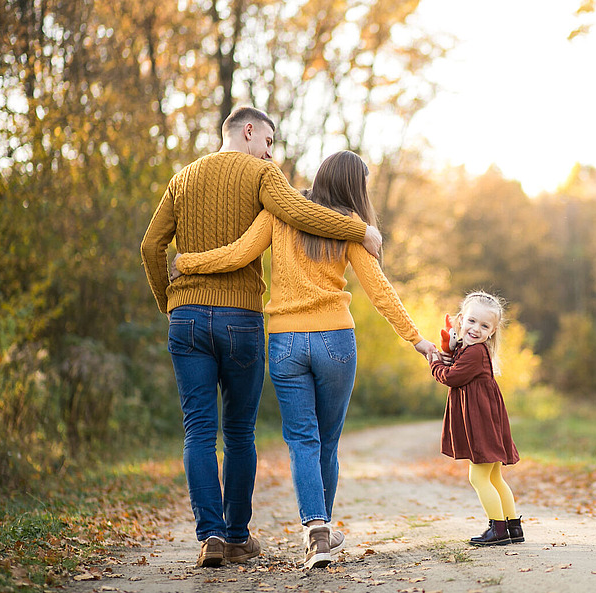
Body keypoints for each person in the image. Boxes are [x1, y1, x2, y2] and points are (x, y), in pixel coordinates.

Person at [140, 107, 384, 569]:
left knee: (197, 430)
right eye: (269, 140)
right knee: (237, 432)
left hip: (186, 317)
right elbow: (301, 211)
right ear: (249, 132)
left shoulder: (183, 178)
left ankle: (209, 534)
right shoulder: (262, 173)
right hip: (241, 317)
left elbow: (151, 246)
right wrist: (360, 229)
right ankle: (236, 535)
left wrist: (167, 304)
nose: (271, 150)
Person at [172, 150, 437, 569]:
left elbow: (238, 254)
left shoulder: (280, 213)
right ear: (353, 186)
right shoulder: (349, 227)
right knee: (326, 443)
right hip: (336, 340)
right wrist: (416, 339)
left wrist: (188, 262)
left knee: (302, 441)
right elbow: (380, 290)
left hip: (285, 342)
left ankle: (316, 527)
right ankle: (321, 534)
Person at [429, 291, 523, 546]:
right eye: (471, 321)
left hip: (481, 423)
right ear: (461, 320)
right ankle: (513, 527)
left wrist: (435, 363)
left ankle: (498, 529)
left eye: (484, 326)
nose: (475, 328)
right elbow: (456, 356)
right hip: (488, 420)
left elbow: (451, 377)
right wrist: (449, 347)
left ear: (492, 331)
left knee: (478, 477)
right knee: (494, 477)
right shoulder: (470, 350)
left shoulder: (474, 353)